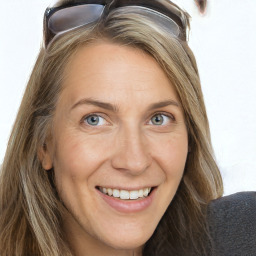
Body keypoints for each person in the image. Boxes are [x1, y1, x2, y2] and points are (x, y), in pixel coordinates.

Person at [0, 0, 223, 255]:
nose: (134, 161)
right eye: (94, 119)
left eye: (159, 119)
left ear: (191, 138)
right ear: (43, 143)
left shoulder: (237, 237)